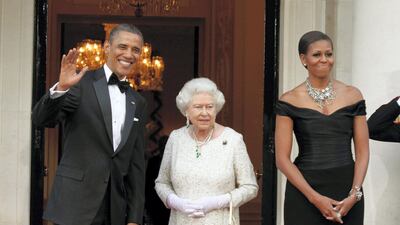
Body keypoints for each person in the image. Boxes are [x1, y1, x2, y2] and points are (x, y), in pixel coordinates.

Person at [32, 24, 147, 225]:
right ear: (107, 47)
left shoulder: (138, 101)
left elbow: (136, 165)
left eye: (136, 50)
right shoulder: (80, 84)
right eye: (122, 46)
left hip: (115, 211)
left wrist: (134, 217)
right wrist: (61, 88)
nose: (129, 54)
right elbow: (41, 120)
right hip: (75, 206)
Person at [275, 31, 369, 225]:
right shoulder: (289, 100)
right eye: (317, 54)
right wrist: (315, 198)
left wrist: (355, 193)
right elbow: (282, 159)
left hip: (347, 191)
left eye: (329, 54)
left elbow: (363, 151)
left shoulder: (353, 95)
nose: (324, 59)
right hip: (304, 192)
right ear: (303, 59)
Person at [155, 77, 258, 225]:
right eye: (198, 107)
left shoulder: (233, 140)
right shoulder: (176, 138)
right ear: (186, 111)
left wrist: (217, 202)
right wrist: (175, 202)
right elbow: (161, 183)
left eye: (209, 107)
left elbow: (250, 187)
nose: (205, 113)